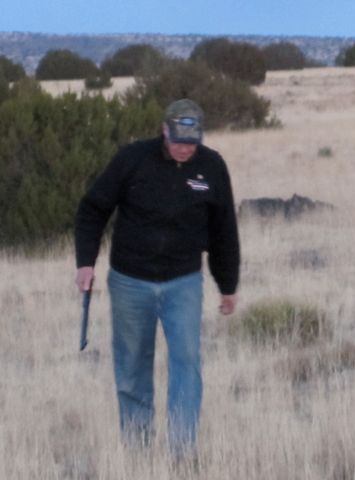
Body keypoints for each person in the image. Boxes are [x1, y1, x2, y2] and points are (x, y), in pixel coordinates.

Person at [74, 98, 240, 458]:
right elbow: (92, 209)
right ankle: (138, 450)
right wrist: (85, 262)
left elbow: (224, 229)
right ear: (164, 131)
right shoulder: (132, 159)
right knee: (132, 366)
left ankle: (182, 452)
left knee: (187, 363)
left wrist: (228, 285)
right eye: (178, 139)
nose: (184, 147)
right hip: (130, 282)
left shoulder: (212, 167)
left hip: (184, 282)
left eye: (192, 141)